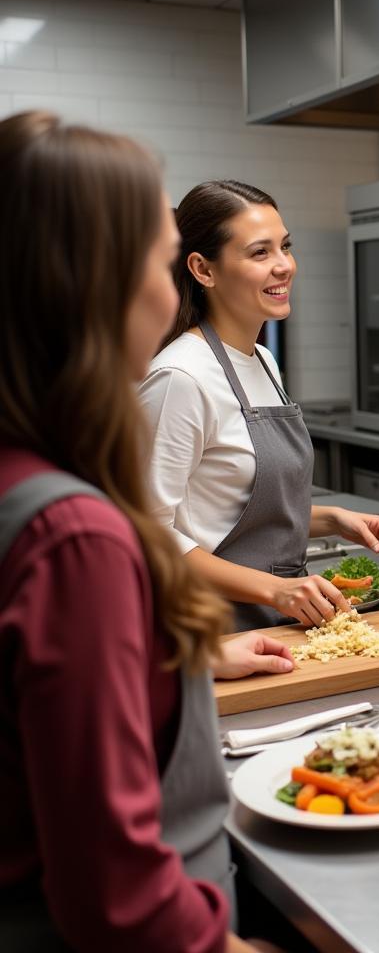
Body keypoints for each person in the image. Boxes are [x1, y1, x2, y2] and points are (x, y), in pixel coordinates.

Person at [0, 112, 275, 950]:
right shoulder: (74, 537)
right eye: (160, 265)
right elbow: (115, 893)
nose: (171, 298)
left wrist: (167, 655)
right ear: (88, 285)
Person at [139, 181, 379, 632]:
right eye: (260, 253)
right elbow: (146, 534)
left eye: (286, 246)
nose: (284, 266)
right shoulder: (181, 377)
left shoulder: (264, 361)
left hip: (276, 622)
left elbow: (223, 511)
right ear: (203, 269)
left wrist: (331, 519)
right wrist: (273, 589)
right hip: (210, 631)